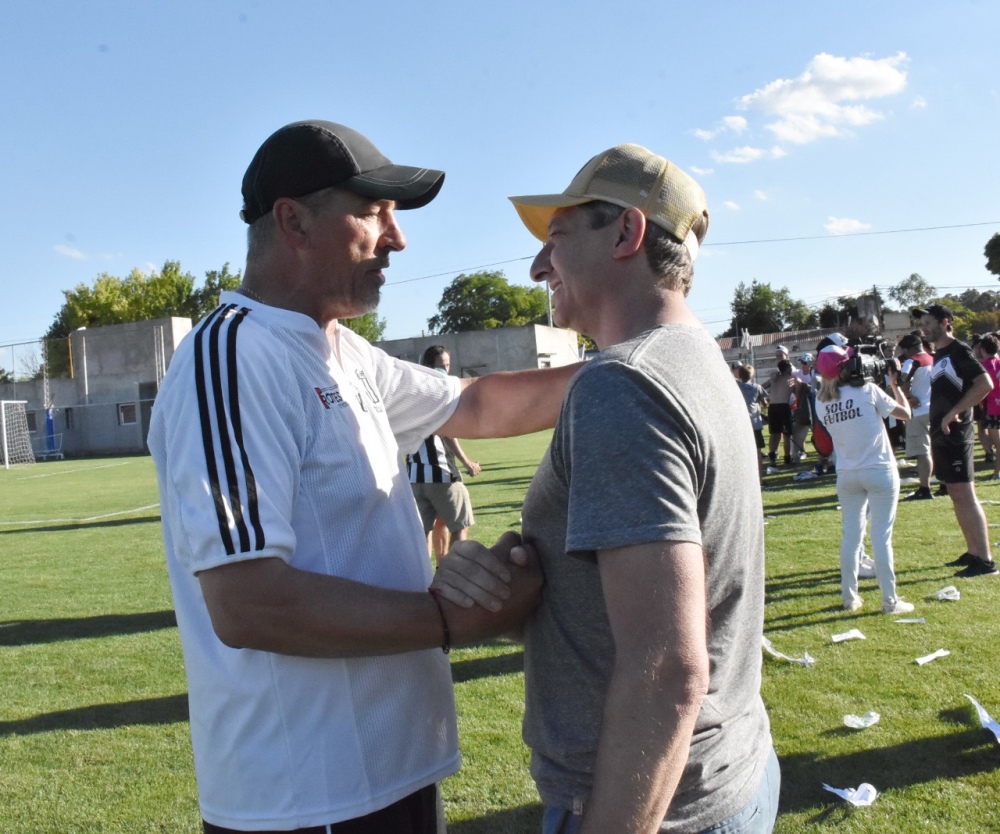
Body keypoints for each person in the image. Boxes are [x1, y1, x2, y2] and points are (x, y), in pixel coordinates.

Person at [148, 119, 580, 834]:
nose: (398, 238)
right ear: (293, 221)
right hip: (306, 797)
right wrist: (448, 618)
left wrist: (638, 366)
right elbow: (247, 601)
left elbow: (476, 402)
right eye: (375, 212)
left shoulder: (346, 353)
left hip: (393, 773)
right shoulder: (228, 358)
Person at [509, 144, 778, 834]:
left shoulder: (622, 383)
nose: (540, 265)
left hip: (653, 803)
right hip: (732, 769)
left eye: (556, 238)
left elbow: (666, 670)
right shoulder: (697, 360)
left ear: (627, 233)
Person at [814, 345, 914, 613]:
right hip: (879, 469)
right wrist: (896, 385)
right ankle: (889, 601)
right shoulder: (867, 390)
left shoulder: (819, 400)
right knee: (881, 537)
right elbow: (905, 414)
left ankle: (850, 598)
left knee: (851, 537)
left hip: (847, 474)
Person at [914, 304, 998, 577]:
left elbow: (985, 384)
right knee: (956, 494)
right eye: (922, 323)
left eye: (928, 322)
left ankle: (984, 560)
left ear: (945, 322)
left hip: (957, 433)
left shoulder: (958, 349)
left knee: (965, 494)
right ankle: (973, 551)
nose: (923, 328)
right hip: (943, 434)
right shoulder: (938, 353)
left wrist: (954, 412)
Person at [408, 345, 482, 558]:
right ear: (429, 367)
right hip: (440, 472)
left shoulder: (411, 392)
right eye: (442, 366)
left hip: (415, 475)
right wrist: (468, 462)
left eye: (448, 365)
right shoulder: (438, 391)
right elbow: (447, 433)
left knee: (424, 531)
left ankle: (426, 579)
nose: (446, 371)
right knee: (460, 526)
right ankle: (454, 579)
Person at [897, 333, 934, 500]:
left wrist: (909, 398)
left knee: (923, 452)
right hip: (935, 409)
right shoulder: (933, 358)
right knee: (934, 450)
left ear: (907, 349)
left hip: (919, 412)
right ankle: (943, 483)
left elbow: (902, 383)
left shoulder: (912, 362)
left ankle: (925, 487)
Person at [737, 364, 769, 484]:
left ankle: (745, 481)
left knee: (743, 452)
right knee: (758, 452)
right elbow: (765, 403)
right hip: (755, 423)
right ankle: (760, 479)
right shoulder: (757, 387)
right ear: (752, 375)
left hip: (741, 424)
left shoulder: (737, 388)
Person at [764, 358, 795, 466]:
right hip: (783, 407)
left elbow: (762, 387)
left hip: (772, 407)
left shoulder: (774, 379)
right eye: (790, 366)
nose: (791, 368)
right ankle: (787, 458)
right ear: (787, 368)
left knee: (774, 434)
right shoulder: (791, 378)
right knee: (786, 434)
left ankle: (772, 459)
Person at [979, 333, 1000, 479]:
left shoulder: (983, 366)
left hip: (992, 408)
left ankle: (997, 472)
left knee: (998, 443)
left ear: (982, 349)